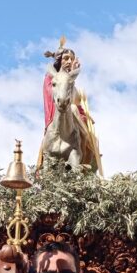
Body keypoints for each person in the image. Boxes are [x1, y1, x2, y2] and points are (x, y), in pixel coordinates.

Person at [37, 39, 103, 175]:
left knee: (92, 137)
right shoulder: (51, 78)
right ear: (59, 59)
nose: (69, 61)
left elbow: (78, 105)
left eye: (71, 59)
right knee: (72, 109)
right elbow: (55, 97)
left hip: (73, 122)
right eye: (66, 58)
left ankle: (84, 149)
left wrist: (86, 116)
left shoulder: (73, 83)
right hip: (58, 118)